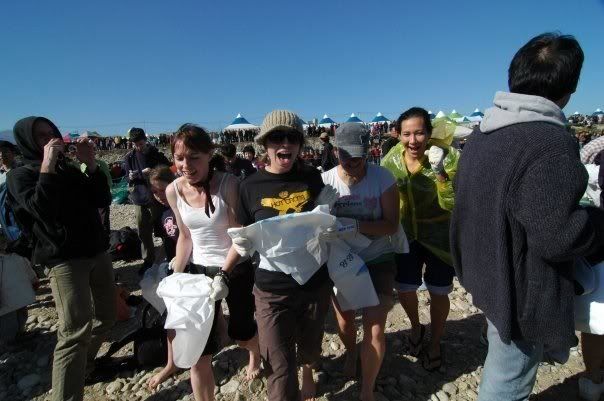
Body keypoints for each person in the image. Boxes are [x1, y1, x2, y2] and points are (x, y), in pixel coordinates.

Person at [450, 33, 604, 401]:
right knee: (508, 381)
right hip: (521, 289)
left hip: (488, 276)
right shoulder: (548, 142)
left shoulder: (483, 134)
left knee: (503, 362)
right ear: (569, 87)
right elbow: (558, 236)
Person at [7, 116, 115, 401]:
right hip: (64, 260)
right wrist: (46, 166)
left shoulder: (70, 169)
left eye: (51, 133)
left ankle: (84, 364)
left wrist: (90, 164)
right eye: (41, 136)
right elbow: (41, 209)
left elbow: (101, 199)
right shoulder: (21, 174)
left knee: (107, 316)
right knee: (74, 331)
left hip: (96, 251)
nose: (49, 139)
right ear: (29, 142)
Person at [230, 110, 332, 401]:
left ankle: (309, 369)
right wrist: (225, 272)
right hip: (271, 288)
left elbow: (324, 219)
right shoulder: (248, 186)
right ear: (265, 144)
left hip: (314, 281)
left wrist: (329, 210)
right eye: (277, 137)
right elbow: (243, 238)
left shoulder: (312, 177)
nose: (284, 143)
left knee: (311, 343)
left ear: (300, 144)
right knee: (278, 363)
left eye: (292, 137)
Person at [163, 124, 260, 401]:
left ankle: (254, 352)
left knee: (240, 332)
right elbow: (184, 237)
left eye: (194, 157)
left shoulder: (229, 184)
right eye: (180, 158)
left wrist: (223, 274)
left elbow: (238, 237)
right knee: (198, 351)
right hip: (198, 273)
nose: (186, 165)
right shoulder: (174, 190)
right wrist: (175, 274)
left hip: (235, 267)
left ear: (209, 155)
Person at [321, 123, 400, 401]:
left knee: (375, 325)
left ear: (369, 151)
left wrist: (355, 226)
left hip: (378, 255)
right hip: (341, 260)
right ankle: (351, 352)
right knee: (344, 322)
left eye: (359, 156)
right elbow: (316, 224)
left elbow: (391, 224)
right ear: (335, 152)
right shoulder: (327, 182)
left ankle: (367, 390)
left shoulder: (383, 178)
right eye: (346, 156)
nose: (353, 162)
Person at [381, 107, 459, 372]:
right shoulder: (391, 159)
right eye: (406, 134)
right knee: (404, 288)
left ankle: (435, 342)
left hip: (439, 237)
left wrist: (440, 173)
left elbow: (453, 204)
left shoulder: (447, 158)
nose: (413, 140)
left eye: (419, 133)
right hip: (406, 236)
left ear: (428, 133)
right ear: (398, 135)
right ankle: (416, 327)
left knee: (438, 291)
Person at [123, 127, 170, 274]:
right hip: (139, 197)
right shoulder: (129, 157)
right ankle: (148, 260)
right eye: (135, 144)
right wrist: (131, 176)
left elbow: (168, 170)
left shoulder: (155, 154)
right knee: (143, 232)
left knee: (163, 229)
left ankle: (169, 256)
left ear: (145, 140)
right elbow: (127, 176)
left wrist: (153, 173)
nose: (138, 147)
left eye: (141, 143)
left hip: (157, 198)